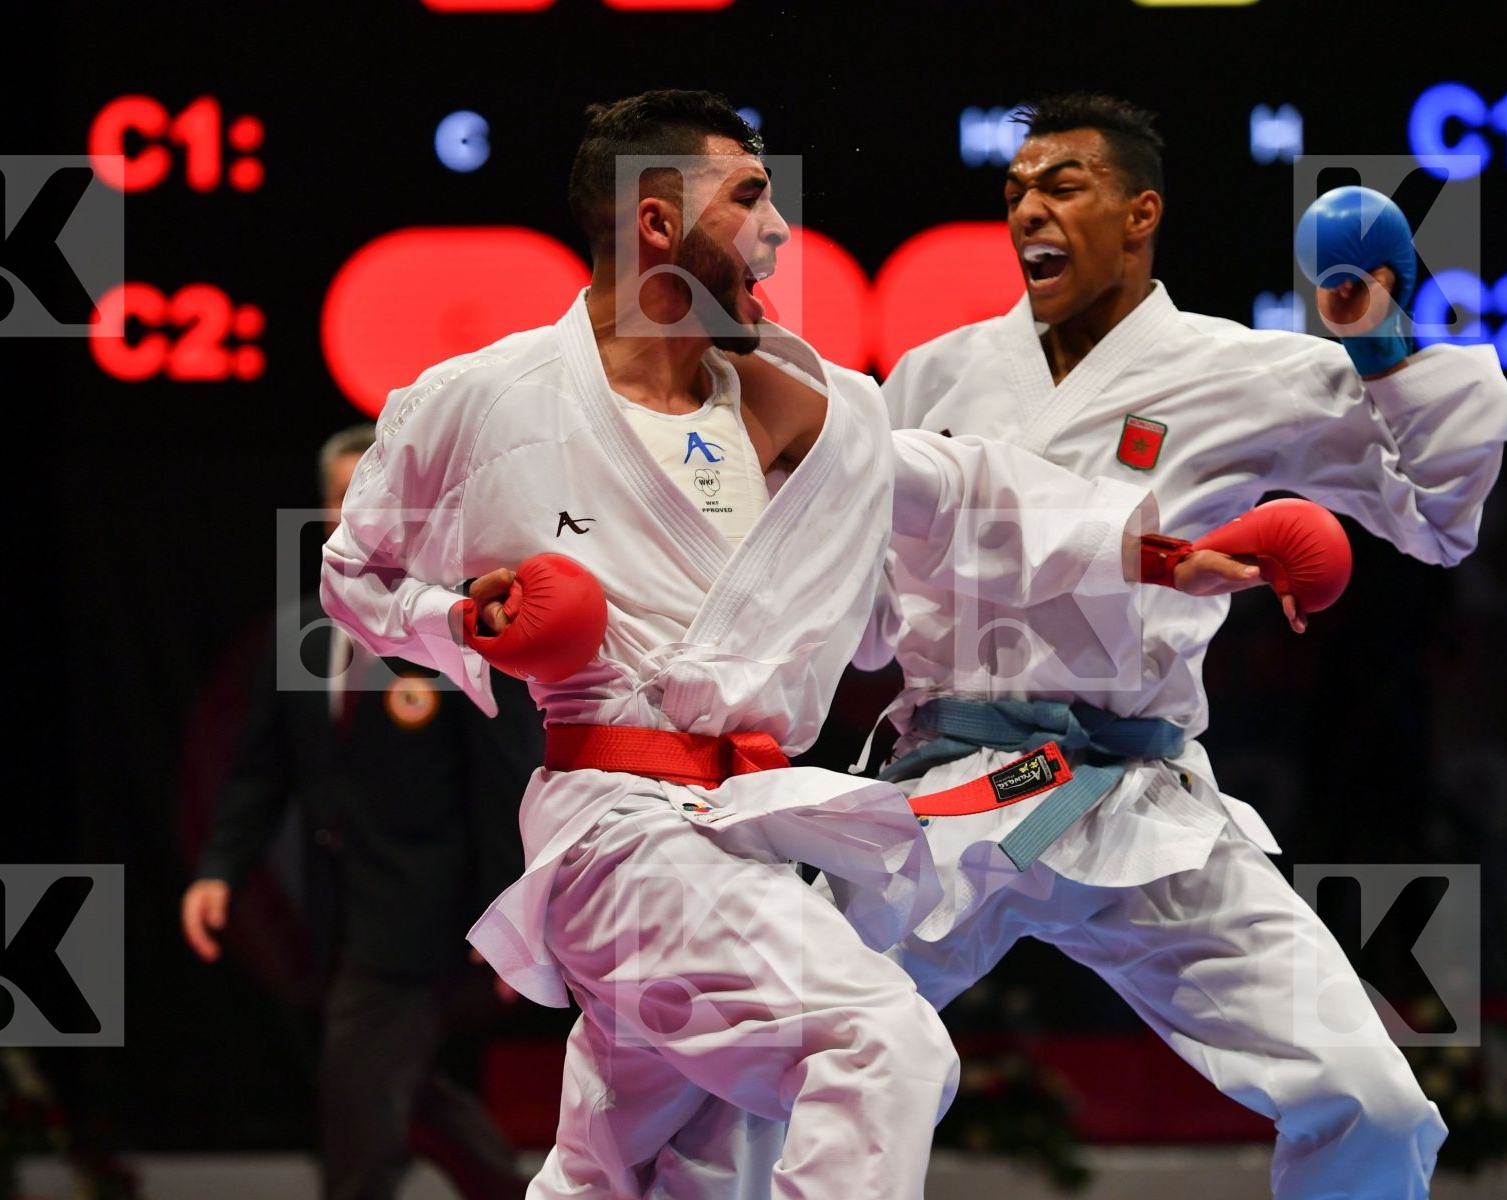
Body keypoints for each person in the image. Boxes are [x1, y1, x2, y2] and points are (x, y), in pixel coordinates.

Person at [319, 89, 1273, 1200]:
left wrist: (1164, 553)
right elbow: (352, 573)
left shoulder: (792, 403)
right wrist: (458, 624)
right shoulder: (481, 402)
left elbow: (971, 488)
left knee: (640, 1166)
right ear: (657, 224)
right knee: (884, 1049)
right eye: (751, 196)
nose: (778, 231)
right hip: (615, 826)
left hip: (752, 826)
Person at [866, 93, 1507, 1199]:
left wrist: (1383, 336)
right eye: (1015, 188)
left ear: (1139, 213)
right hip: (949, 794)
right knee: (770, 1060)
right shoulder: (934, 374)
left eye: (1062, 183)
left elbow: (1436, 518)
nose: (1029, 204)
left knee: (1373, 1099)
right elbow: (857, 578)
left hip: (1133, 797)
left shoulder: (1243, 371)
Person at [182, 424, 541, 1200]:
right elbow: (259, 775)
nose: (354, 514)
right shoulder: (298, 634)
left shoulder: (454, 632)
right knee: (397, 1089)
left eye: (368, 497)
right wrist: (219, 872)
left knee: (360, 1106)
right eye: (340, 498)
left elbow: (503, 780)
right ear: (321, 513)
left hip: (428, 915)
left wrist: (510, 912)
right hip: (335, 915)